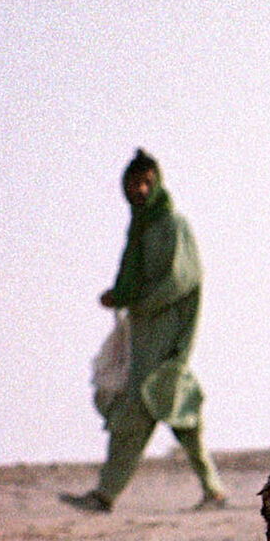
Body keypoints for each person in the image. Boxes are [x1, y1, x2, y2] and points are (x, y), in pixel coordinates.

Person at [61, 149, 227, 512]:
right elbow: (134, 281)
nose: (139, 189)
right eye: (134, 183)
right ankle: (206, 489)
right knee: (158, 413)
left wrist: (137, 301)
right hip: (145, 336)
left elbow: (182, 279)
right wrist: (120, 296)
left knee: (156, 412)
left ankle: (108, 496)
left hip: (168, 335)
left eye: (146, 182)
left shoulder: (172, 225)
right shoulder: (141, 229)